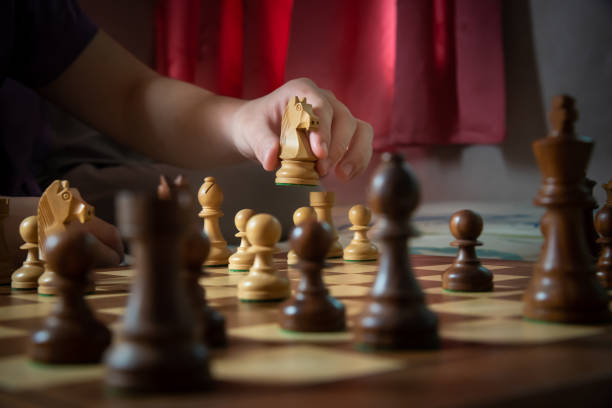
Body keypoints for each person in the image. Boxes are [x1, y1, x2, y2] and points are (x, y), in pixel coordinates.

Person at [1, 0, 373, 267]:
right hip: (28, 205)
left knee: (288, 193)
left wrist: (244, 120)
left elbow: (133, 95)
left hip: (44, 173)